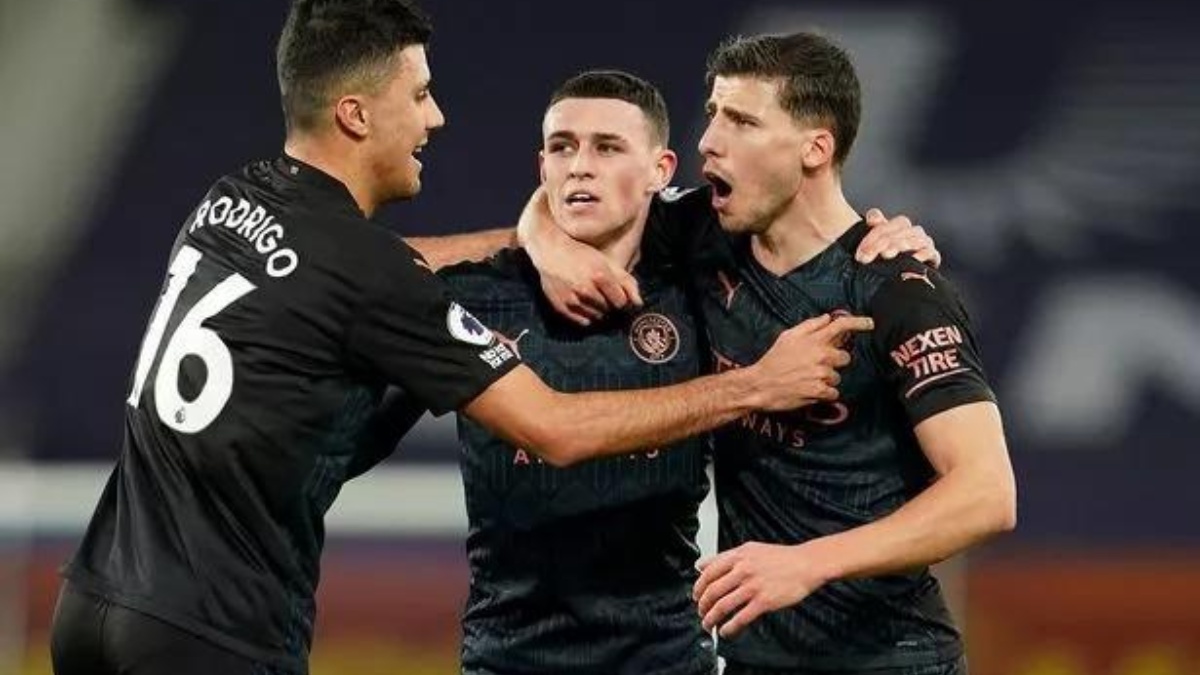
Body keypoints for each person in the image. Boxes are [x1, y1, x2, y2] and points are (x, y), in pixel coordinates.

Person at [46, 4, 873, 674]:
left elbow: (387, 266)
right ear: (355, 112)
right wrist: (755, 385)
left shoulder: (234, 201)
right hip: (216, 628)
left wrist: (882, 243)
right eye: (419, 96)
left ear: (657, 170)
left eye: (605, 148)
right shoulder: (396, 285)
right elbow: (552, 426)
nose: (435, 117)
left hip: (94, 598)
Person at [524, 32, 1016, 675]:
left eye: (743, 121)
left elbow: (987, 493)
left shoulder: (895, 291)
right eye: (713, 115)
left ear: (815, 149)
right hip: (754, 656)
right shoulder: (703, 231)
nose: (709, 142)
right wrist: (546, 244)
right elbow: (571, 199)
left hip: (891, 658)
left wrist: (809, 562)